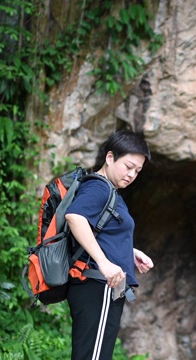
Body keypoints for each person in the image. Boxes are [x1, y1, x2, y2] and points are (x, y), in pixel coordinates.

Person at [65, 130, 154, 360]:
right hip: (98, 285)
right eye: (128, 166)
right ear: (110, 157)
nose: (132, 174)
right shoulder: (99, 187)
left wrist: (129, 252)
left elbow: (101, 232)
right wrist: (104, 263)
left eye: (138, 171)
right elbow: (75, 217)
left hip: (104, 287)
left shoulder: (111, 192)